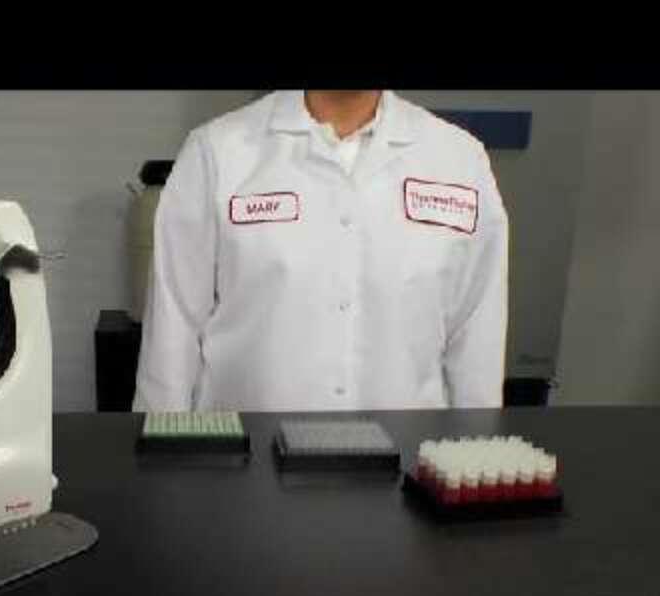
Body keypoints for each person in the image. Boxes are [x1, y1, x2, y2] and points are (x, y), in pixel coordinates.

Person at [133, 90, 508, 412]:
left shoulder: (458, 160)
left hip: (408, 460)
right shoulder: (219, 151)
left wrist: (475, 458)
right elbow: (173, 326)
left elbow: (477, 336)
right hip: (246, 456)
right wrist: (160, 455)